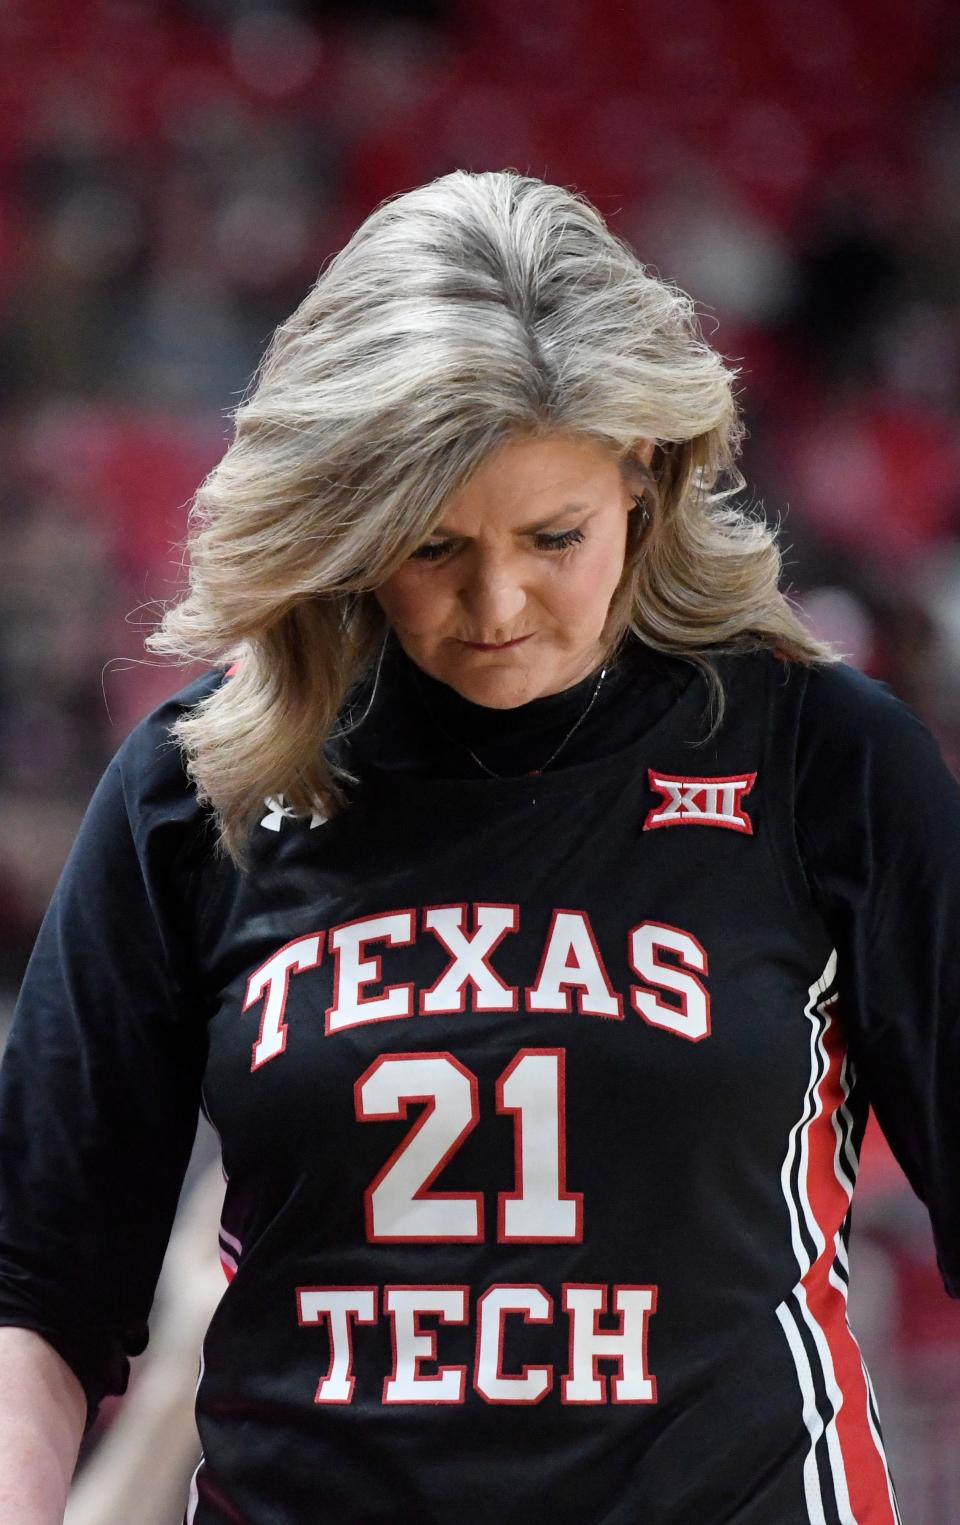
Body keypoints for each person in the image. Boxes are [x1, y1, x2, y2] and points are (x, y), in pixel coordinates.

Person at [0, 168, 957, 1525]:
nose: (497, 599)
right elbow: (34, 1283)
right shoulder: (196, 787)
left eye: (554, 535)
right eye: (433, 544)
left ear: (645, 473)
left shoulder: (824, 759)